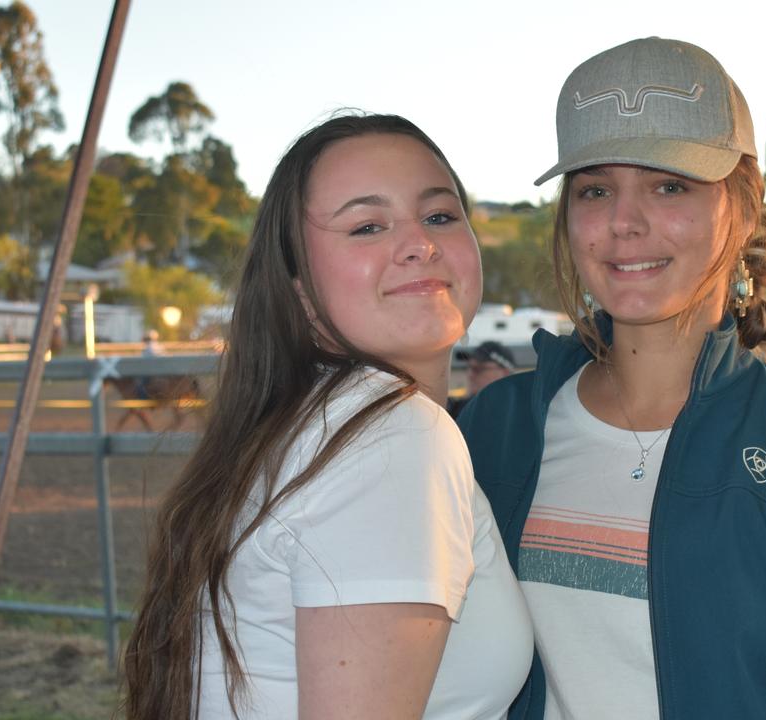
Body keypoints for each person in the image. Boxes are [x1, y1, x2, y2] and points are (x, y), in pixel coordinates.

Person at [457, 37, 766, 718]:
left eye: (668, 185)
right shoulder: (494, 429)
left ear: (741, 206)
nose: (625, 222)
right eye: (595, 189)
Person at [122, 114, 533, 719]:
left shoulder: (313, 426)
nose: (420, 242)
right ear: (300, 291)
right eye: (367, 226)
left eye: (440, 215)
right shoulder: (392, 436)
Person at [447, 340, 517, 418]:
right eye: (468, 368)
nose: (470, 375)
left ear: (505, 373)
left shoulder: (522, 411)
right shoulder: (456, 409)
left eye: (478, 369)